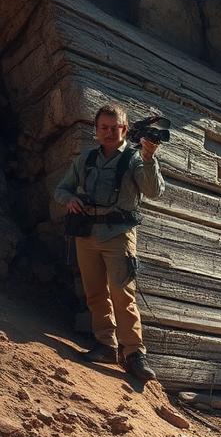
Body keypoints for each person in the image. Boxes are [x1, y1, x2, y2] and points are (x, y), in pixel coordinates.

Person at [54, 102, 165, 381]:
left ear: (125, 130)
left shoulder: (137, 158)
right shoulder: (86, 159)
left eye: (114, 128)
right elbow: (61, 189)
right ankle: (106, 345)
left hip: (118, 234)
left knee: (122, 294)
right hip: (87, 233)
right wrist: (71, 199)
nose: (108, 133)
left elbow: (154, 192)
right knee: (94, 292)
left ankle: (134, 353)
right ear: (96, 130)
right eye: (103, 128)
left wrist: (150, 157)